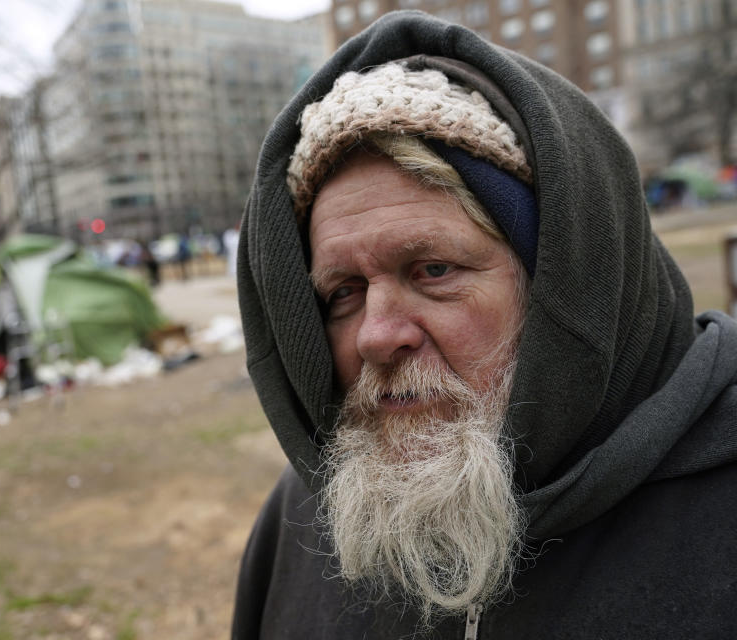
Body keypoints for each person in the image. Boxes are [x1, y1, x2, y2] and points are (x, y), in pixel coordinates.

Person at [232, 11, 737, 639]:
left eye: (434, 269)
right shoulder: (306, 518)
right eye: (344, 292)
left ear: (564, 283)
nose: (376, 336)